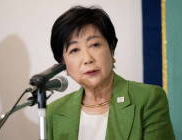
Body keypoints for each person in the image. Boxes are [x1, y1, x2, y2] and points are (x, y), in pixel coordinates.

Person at [46, 6, 175, 140]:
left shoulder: (148, 99)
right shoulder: (52, 112)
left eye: (94, 45)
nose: (87, 59)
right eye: (74, 50)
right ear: (63, 64)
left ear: (111, 48)